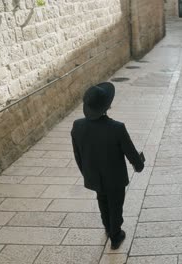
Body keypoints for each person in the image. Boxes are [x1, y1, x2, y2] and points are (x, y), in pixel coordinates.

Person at [71, 82, 145, 250]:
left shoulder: (77, 125)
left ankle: (107, 226)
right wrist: (139, 165)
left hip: (94, 176)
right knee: (116, 205)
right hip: (115, 178)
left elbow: (78, 155)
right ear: (107, 106)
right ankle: (115, 235)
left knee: (102, 200)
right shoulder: (117, 128)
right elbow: (131, 153)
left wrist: (86, 173)